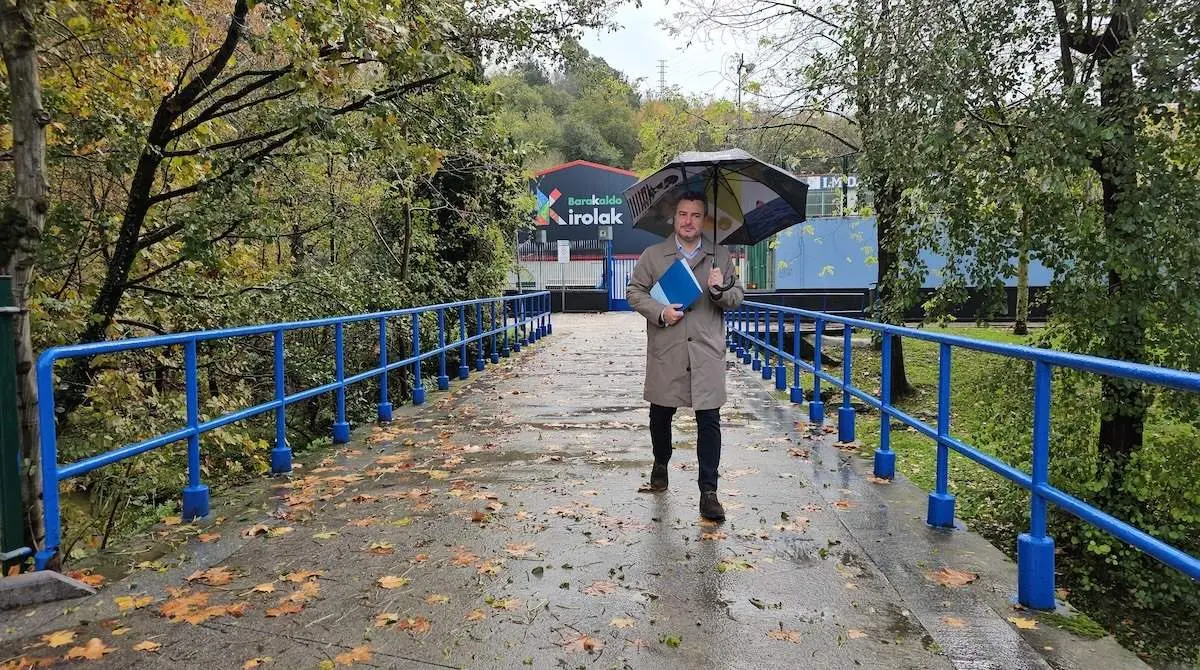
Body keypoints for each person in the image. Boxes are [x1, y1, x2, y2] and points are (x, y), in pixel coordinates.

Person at [626, 192, 744, 521]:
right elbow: (635, 292)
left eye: (695, 215)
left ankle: (709, 492)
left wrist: (720, 289)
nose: (688, 221)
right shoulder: (654, 255)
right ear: (674, 218)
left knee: (710, 421)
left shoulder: (719, 255)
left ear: (703, 220)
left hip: (706, 350)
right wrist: (661, 311)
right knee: (660, 415)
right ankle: (661, 460)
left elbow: (737, 297)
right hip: (669, 348)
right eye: (682, 214)